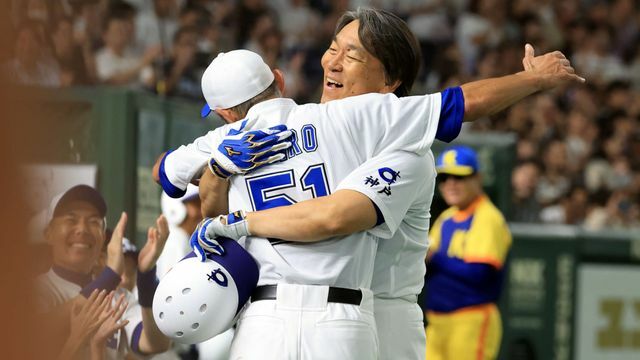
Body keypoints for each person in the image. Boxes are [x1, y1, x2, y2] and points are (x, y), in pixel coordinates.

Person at [154, 8, 583, 359]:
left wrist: (239, 216)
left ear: (390, 84)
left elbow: (337, 215)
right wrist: (217, 170)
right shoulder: (314, 120)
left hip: (382, 319)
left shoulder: (403, 147)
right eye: (331, 48)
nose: (332, 62)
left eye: (352, 55)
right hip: (288, 314)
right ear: (279, 80)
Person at [36, 184, 171, 359]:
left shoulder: (118, 297)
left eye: (93, 222)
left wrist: (146, 276)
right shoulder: (34, 289)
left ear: (102, 237)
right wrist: (110, 277)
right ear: (49, 233)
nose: (82, 229)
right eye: (71, 220)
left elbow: (156, 344)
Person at [424, 146, 512, 360]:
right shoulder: (446, 218)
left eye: (459, 177)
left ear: (478, 178)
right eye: (445, 178)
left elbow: (479, 274)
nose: (451, 184)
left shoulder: (487, 217)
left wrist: (434, 258)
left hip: (471, 318)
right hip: (437, 322)